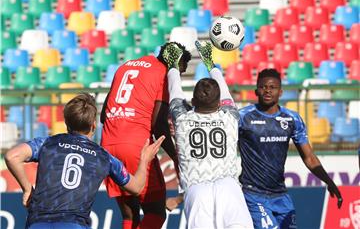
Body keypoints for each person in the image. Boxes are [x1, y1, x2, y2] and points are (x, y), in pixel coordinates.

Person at [4, 93, 165, 229]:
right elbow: (136, 187)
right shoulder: (103, 156)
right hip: (74, 224)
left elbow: (12, 156)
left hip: (37, 223)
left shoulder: (48, 143)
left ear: (66, 122)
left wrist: (27, 189)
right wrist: (144, 160)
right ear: (94, 125)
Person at [100, 43, 191, 229]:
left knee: (129, 215)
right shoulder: (164, 73)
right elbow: (158, 125)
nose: (178, 77)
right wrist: (176, 156)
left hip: (108, 144)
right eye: (180, 72)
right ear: (175, 65)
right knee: (156, 212)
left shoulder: (126, 66)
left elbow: (103, 115)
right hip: (136, 147)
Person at [238, 69, 343, 229]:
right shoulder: (243, 117)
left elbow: (309, 158)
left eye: (272, 87)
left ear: (280, 92)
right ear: (256, 91)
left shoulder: (292, 119)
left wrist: (328, 181)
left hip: (280, 194)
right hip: (253, 194)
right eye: (263, 86)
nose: (267, 90)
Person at [165, 41, 253, 228]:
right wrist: (211, 64)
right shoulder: (231, 117)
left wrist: (172, 64)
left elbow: (174, 90)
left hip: (196, 190)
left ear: (193, 100)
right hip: (229, 188)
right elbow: (225, 91)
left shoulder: (181, 119)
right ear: (220, 102)